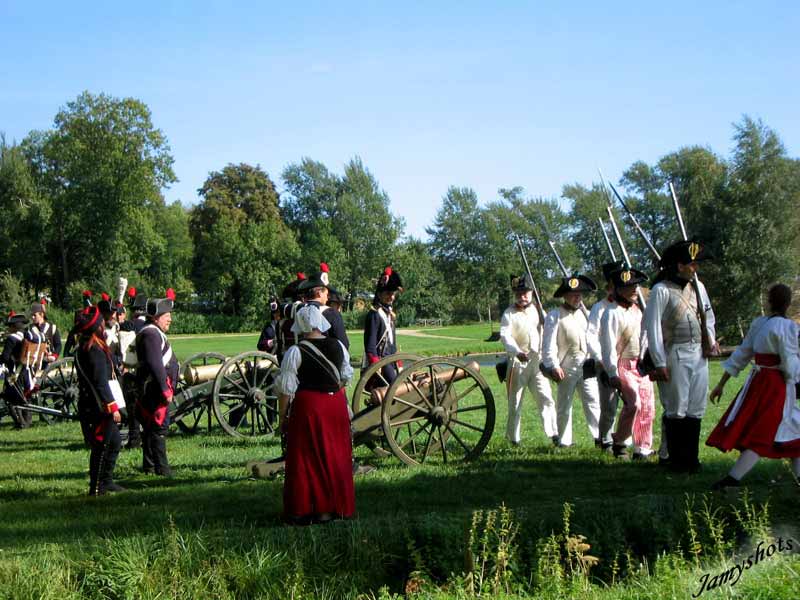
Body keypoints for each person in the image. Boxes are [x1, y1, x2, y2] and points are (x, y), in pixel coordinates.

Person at [706, 283, 800, 489]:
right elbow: (790, 364)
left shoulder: (759, 324)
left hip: (758, 383)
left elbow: (740, 354)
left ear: (769, 302)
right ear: (788, 302)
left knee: (794, 427)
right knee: (763, 431)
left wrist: (721, 384)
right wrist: (795, 380)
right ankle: (732, 480)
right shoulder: (788, 328)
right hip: (776, 385)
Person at [276, 304, 355, 524]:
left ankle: (306, 508)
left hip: (309, 407)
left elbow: (286, 389)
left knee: (307, 458)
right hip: (335, 404)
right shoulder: (339, 345)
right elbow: (345, 378)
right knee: (335, 456)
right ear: (320, 323)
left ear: (300, 325)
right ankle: (333, 508)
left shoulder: (296, 351)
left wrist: (282, 418)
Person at [644, 240, 716, 473]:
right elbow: (653, 328)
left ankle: (691, 459)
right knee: (676, 408)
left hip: (698, 354)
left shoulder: (699, 287)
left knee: (696, 408)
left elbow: (709, 317)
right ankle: (676, 461)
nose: (695, 268)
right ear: (679, 265)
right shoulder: (661, 290)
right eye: (691, 264)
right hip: (675, 352)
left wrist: (710, 342)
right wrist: (659, 361)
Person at [600, 267, 655, 460]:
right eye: (628, 287)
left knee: (648, 407)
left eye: (635, 286)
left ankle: (643, 448)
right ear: (617, 290)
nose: (633, 290)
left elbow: (645, 338)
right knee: (634, 405)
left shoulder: (639, 311)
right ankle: (620, 441)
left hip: (640, 365)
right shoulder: (611, 313)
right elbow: (607, 346)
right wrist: (612, 372)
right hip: (622, 364)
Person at [542, 274, 601, 447]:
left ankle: (599, 437)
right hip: (567, 364)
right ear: (565, 295)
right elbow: (548, 345)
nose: (577, 297)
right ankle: (564, 440)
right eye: (574, 294)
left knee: (592, 400)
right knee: (564, 404)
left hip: (586, 362)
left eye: (580, 294)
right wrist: (553, 365)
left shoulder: (586, 314)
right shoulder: (554, 315)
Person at [73, 305, 125, 496]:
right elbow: (101, 383)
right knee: (103, 445)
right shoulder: (93, 350)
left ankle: (106, 481)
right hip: (98, 406)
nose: (104, 323)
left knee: (115, 441)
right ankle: (96, 487)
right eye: (101, 322)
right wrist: (113, 408)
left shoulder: (91, 346)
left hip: (95, 404)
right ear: (97, 327)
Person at [499, 274, 558, 446]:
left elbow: (549, 333)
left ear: (532, 293)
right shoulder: (508, 313)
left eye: (525, 292)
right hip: (518, 362)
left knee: (546, 397)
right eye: (518, 293)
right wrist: (517, 352)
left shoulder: (539, 311)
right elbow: (506, 336)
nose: (522, 296)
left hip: (537, 362)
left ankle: (555, 434)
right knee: (515, 402)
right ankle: (513, 438)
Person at [135, 289, 179, 476]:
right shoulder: (151, 334)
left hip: (154, 389)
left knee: (152, 428)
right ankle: (161, 468)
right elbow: (155, 364)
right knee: (158, 429)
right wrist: (165, 389)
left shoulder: (152, 333)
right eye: (166, 316)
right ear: (156, 317)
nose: (169, 319)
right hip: (155, 390)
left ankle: (150, 465)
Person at [587, 260, 625, 451]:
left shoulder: (628, 308)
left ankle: (625, 439)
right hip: (605, 363)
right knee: (609, 405)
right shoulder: (598, 308)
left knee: (632, 404)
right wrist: (600, 359)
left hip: (627, 362)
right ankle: (605, 440)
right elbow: (591, 336)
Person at [363, 266, 403, 387]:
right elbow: (370, 344)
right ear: (379, 294)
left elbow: (392, 342)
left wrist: (399, 362)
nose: (391, 297)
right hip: (381, 361)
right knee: (395, 387)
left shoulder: (389, 314)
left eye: (393, 293)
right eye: (388, 293)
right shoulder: (374, 314)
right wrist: (376, 365)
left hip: (391, 359)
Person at [298, 262, 350, 349]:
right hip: (325, 360)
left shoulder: (299, 310)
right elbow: (343, 344)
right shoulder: (332, 313)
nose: (328, 297)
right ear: (319, 293)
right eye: (326, 293)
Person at [1, 312, 28, 428]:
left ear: (14, 327)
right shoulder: (27, 336)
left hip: (15, 374)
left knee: (8, 396)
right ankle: (26, 420)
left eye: (10, 326)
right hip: (25, 371)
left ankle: (20, 422)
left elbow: (5, 358)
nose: (8, 328)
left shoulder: (12, 339)